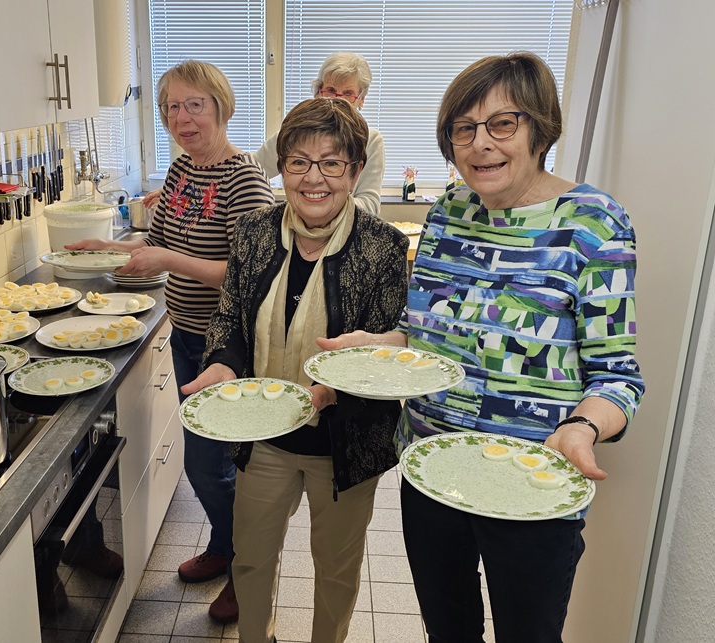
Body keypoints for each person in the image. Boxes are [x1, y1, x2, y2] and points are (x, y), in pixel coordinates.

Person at [317, 52, 645, 643]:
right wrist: (377, 346)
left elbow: (617, 376)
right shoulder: (448, 212)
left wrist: (582, 428)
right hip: (432, 467)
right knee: (448, 630)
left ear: (540, 127)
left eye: (502, 123)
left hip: (532, 480)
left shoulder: (593, 224)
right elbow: (424, 332)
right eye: (463, 129)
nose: (480, 144)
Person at [182, 98, 409, 642]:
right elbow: (230, 316)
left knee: (336, 570)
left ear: (355, 170)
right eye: (298, 162)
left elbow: (387, 351)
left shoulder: (383, 248)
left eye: (331, 163)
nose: (314, 178)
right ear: (281, 167)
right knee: (252, 559)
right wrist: (221, 363)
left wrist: (340, 384)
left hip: (345, 443)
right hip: (265, 436)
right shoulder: (255, 232)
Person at [64, 60, 274, 622]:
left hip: (227, 347)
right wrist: (107, 248)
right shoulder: (182, 168)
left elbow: (252, 275)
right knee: (208, 463)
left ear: (220, 107)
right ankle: (226, 548)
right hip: (185, 334)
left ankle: (247, 570)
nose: (182, 118)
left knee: (213, 466)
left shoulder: (245, 180)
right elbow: (156, 243)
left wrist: (168, 261)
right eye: (171, 107)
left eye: (194, 105)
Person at [144, 52, 385, 217]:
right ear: (318, 92)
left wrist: (317, 202)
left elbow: (370, 205)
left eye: (348, 93)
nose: (337, 99)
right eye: (331, 90)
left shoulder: (371, 141)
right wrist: (183, 191)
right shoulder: (295, 133)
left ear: (361, 99)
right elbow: (250, 168)